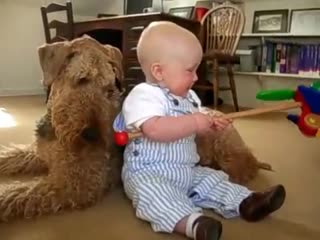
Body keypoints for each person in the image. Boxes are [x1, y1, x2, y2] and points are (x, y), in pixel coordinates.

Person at [113, 21, 286, 240]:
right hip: (149, 173)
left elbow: (191, 132)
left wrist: (209, 125)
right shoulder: (143, 95)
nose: (196, 77)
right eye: (190, 70)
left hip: (187, 169)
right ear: (159, 71)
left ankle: (248, 202)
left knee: (212, 180)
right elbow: (155, 129)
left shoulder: (189, 97)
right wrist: (195, 122)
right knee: (156, 197)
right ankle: (192, 224)